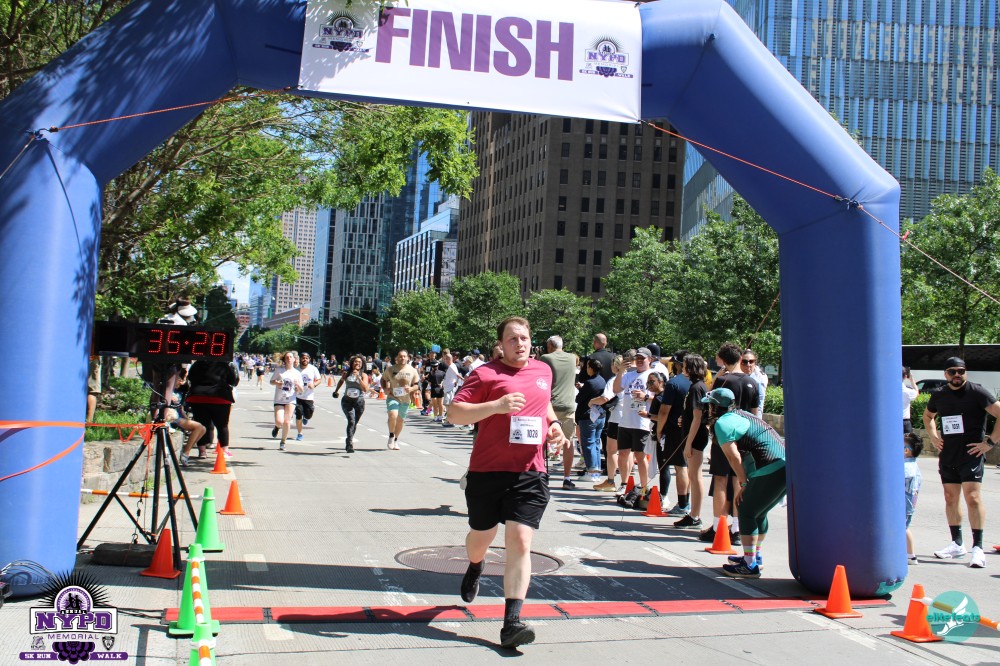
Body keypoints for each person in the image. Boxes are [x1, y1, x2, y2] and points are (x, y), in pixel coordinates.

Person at [447, 316, 568, 649]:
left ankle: (511, 623)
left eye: (524, 338)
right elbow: (454, 413)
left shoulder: (543, 371)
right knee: (481, 537)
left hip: (530, 471)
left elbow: (544, 406)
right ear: (501, 344)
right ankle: (475, 565)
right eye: (512, 339)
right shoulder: (485, 374)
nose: (520, 343)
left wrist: (555, 426)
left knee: (520, 540)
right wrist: (496, 406)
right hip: (487, 471)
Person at [923, 356, 1000, 569]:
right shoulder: (939, 394)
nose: (957, 375)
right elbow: (928, 416)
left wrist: (990, 443)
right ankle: (957, 544)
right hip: (949, 454)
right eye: (952, 371)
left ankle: (978, 548)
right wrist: (934, 437)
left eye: (961, 371)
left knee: (972, 498)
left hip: (971, 453)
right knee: (950, 498)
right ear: (945, 374)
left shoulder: (977, 392)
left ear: (965, 372)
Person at [701, 388, 786, 579]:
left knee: (746, 510)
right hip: (783, 465)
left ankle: (749, 565)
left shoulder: (723, 423)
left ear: (716, 407)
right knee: (759, 513)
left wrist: (744, 483)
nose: (708, 409)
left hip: (769, 468)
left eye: (710, 405)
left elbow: (733, 457)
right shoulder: (743, 414)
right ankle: (754, 557)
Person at [700, 342, 761, 543]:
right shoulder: (752, 382)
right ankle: (736, 527)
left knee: (720, 479)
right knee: (738, 480)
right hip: (745, 436)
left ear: (722, 360)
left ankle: (718, 526)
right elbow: (755, 414)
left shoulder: (723, 380)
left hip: (725, 433)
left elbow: (711, 403)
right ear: (740, 358)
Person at [615, 348, 655, 507]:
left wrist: (646, 396)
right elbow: (616, 389)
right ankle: (624, 483)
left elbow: (660, 397)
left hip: (641, 421)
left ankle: (644, 487)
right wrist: (621, 371)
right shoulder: (629, 375)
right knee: (623, 453)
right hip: (625, 421)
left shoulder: (652, 376)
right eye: (637, 358)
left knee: (640, 455)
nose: (639, 360)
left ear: (649, 359)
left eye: (642, 358)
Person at [674, 354, 709, 529]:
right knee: (693, 475)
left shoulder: (696, 388)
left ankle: (695, 515)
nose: (682, 368)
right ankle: (693, 514)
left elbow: (698, 417)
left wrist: (688, 443)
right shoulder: (697, 386)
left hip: (695, 437)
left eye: (685, 365)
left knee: (695, 476)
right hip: (693, 435)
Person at [539, 335, 579, 489]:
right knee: (568, 442)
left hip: (550, 406)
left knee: (542, 441)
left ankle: (541, 474)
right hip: (568, 405)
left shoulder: (546, 358)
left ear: (550, 345)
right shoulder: (572, 358)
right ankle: (567, 478)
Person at [656, 350, 691, 514]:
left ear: (678, 364)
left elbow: (664, 410)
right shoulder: (697, 383)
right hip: (692, 428)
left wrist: (659, 429)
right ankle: (687, 503)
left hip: (675, 430)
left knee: (680, 467)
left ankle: (683, 505)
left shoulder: (673, 383)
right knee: (688, 467)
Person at [186, 358, 240, 459]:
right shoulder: (223, 365)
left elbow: (190, 377)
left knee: (201, 424)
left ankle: (202, 451)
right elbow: (233, 381)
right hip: (220, 397)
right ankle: (224, 450)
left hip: (198, 397)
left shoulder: (197, 364)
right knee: (222, 425)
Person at [590, 354, 625, 491]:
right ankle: (626, 483)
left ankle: (611, 481)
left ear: (614, 366)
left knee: (611, 451)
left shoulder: (614, 380)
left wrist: (592, 401)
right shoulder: (630, 378)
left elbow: (605, 398)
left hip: (616, 418)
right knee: (627, 452)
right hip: (630, 418)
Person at [381, 349, 421, 450]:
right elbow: (383, 379)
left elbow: (417, 385)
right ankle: (391, 435)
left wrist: (411, 389)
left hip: (405, 399)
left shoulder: (412, 370)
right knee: (392, 415)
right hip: (393, 396)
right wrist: (385, 388)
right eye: (400, 356)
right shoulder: (390, 369)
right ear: (397, 358)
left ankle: (395, 440)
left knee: (400, 420)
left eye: (404, 356)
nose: (402, 358)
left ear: (407, 358)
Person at [575, 359, 607, 482]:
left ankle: (591, 472)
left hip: (588, 416)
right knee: (596, 443)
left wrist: (582, 389)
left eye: (587, 367)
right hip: (600, 415)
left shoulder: (589, 382)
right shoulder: (602, 380)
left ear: (591, 368)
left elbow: (579, 399)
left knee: (588, 443)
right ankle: (596, 471)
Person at [333, 355, 370, 453]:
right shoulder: (346, 373)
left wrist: (359, 378)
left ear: (362, 364)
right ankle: (349, 444)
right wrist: (336, 391)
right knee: (351, 421)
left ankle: (349, 438)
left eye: (359, 362)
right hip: (347, 401)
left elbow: (365, 389)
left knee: (354, 423)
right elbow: (341, 381)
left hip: (359, 402)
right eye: (355, 362)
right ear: (352, 363)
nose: (357, 363)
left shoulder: (364, 375)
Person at [270, 351, 303, 451]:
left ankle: (283, 442)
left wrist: (298, 385)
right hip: (279, 399)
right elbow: (271, 381)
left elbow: (301, 390)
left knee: (287, 421)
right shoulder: (279, 370)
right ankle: (277, 427)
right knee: (279, 421)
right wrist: (277, 383)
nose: (289, 359)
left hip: (291, 399)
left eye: (291, 357)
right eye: (287, 357)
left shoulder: (297, 373)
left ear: (294, 359)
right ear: (284, 359)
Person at [904, 431, 923, 565]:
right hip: (909, 505)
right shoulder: (914, 466)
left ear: (906, 451)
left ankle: (910, 555)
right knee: (904, 528)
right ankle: (910, 555)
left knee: (902, 528)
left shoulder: (906, 467)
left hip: (903, 504)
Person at [294, 353, 321, 442]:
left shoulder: (313, 369)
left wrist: (314, 384)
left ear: (309, 359)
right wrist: (294, 387)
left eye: (306, 358)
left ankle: (306, 417)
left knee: (308, 415)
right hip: (298, 396)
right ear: (300, 359)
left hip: (309, 396)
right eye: (303, 358)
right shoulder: (296, 370)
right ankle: (300, 433)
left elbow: (319, 379)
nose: (304, 359)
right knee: (298, 414)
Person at [902, 366, 919, 433]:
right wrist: (912, 379)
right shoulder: (907, 391)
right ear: (905, 377)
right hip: (905, 422)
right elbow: (917, 392)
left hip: (890, 421)